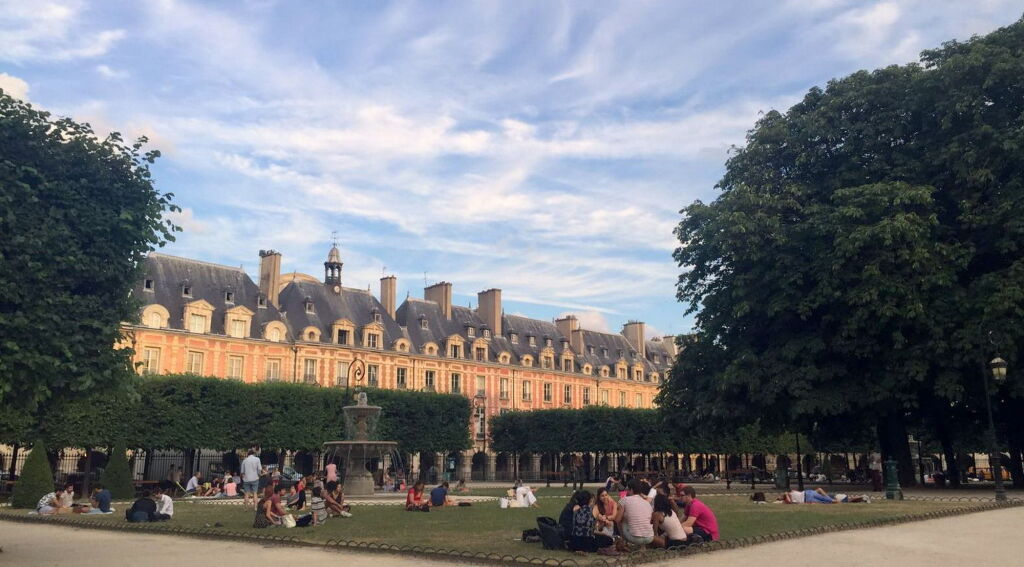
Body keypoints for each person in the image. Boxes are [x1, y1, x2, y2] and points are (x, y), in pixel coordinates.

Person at [567, 491, 617, 555]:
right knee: (609, 540)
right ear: (589, 500)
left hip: (575, 542)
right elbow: (595, 528)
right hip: (588, 542)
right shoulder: (594, 509)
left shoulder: (575, 509)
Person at [614, 480, 655, 547]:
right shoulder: (646, 502)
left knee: (621, 519)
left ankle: (623, 541)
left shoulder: (624, 500)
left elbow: (617, 520)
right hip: (650, 537)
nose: (626, 491)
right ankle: (643, 547)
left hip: (635, 538)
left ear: (631, 490)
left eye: (627, 489)